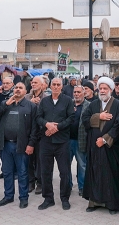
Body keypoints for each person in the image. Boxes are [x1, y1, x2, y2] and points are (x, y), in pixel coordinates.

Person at [81, 77, 119, 214]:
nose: (102, 91)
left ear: (111, 90)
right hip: (94, 147)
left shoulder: (118, 105)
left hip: (111, 147)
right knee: (95, 173)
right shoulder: (93, 104)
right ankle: (94, 202)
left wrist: (104, 139)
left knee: (111, 175)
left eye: (105, 88)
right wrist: (98, 117)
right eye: (101, 88)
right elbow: (84, 119)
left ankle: (112, 204)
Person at [0, 81, 39, 208]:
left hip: (21, 145)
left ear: (25, 91)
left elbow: (35, 128)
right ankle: (8, 196)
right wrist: (5, 105)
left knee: (22, 173)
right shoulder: (6, 103)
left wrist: (31, 144)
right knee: (7, 172)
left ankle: (23, 198)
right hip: (5, 145)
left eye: (20, 88)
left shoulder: (30, 106)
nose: (17, 89)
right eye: (16, 87)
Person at [36, 77, 75, 210]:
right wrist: (47, 124)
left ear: (62, 87)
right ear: (50, 86)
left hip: (62, 142)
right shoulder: (44, 101)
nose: (56, 87)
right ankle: (48, 198)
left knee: (64, 172)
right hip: (46, 141)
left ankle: (65, 198)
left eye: (58, 84)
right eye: (54, 84)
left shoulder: (68, 101)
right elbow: (38, 117)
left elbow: (71, 118)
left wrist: (57, 127)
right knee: (45, 172)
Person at [25, 75, 50, 195]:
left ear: (42, 85)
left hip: (41, 133)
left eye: (36, 82)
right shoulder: (26, 97)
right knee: (29, 158)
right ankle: (31, 181)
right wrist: (30, 103)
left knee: (40, 159)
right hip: (28, 132)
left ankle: (40, 182)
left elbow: (48, 114)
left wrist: (39, 104)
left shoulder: (46, 98)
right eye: (32, 82)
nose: (33, 84)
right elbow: (22, 110)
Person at [68, 84, 89, 196]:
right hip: (67, 140)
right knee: (66, 164)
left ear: (84, 93)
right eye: (75, 92)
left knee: (82, 165)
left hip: (81, 140)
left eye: (79, 92)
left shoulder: (88, 105)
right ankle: (68, 185)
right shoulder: (68, 104)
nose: (76, 94)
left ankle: (82, 187)